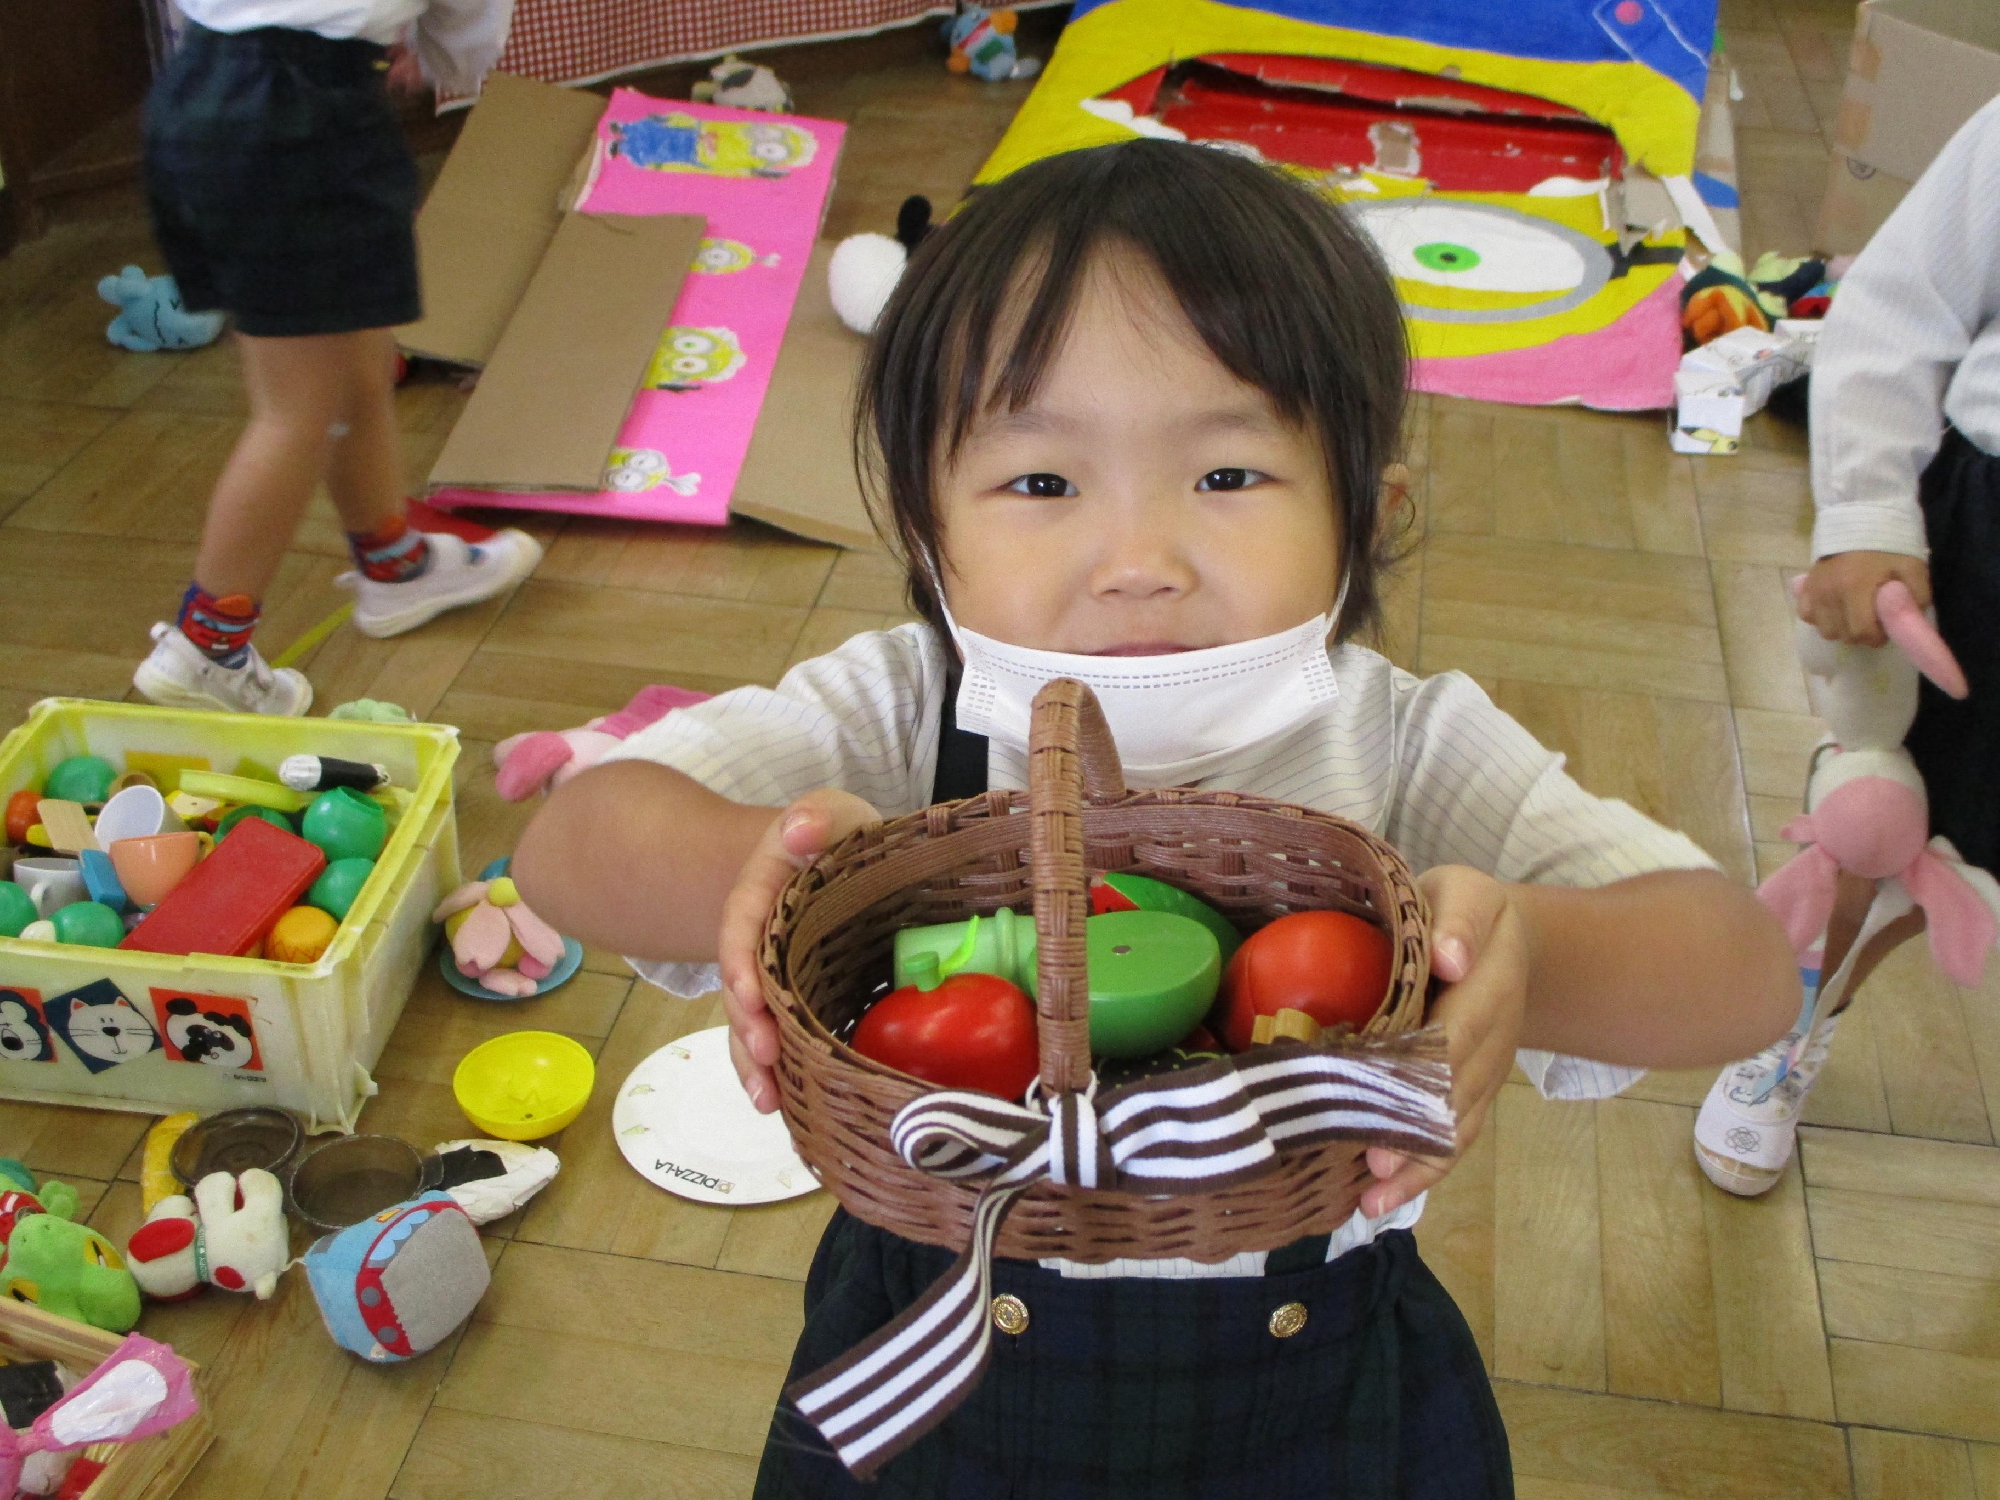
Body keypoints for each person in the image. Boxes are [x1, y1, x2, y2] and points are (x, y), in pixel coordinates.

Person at [513, 140, 1797, 1498]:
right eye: (1042, 484)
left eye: (1227, 477)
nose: (1138, 564)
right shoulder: (909, 707)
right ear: (924, 528)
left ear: (1367, 514)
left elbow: (1741, 974)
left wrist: (1523, 953)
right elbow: (569, 848)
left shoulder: (1401, 741)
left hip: (1309, 1392)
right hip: (936, 1364)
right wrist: (775, 870)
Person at [1694, 97, 2000, 1196]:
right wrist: (1867, 510)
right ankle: (1787, 1024)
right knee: (1885, 830)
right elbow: (1900, 305)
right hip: (1986, 536)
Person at [132, 0, 539, 717]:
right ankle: (208, 649)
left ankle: (394, 565)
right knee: (297, 413)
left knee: (356, 353)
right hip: (302, 117)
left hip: (198, 86)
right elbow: (469, 24)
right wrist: (437, 57)